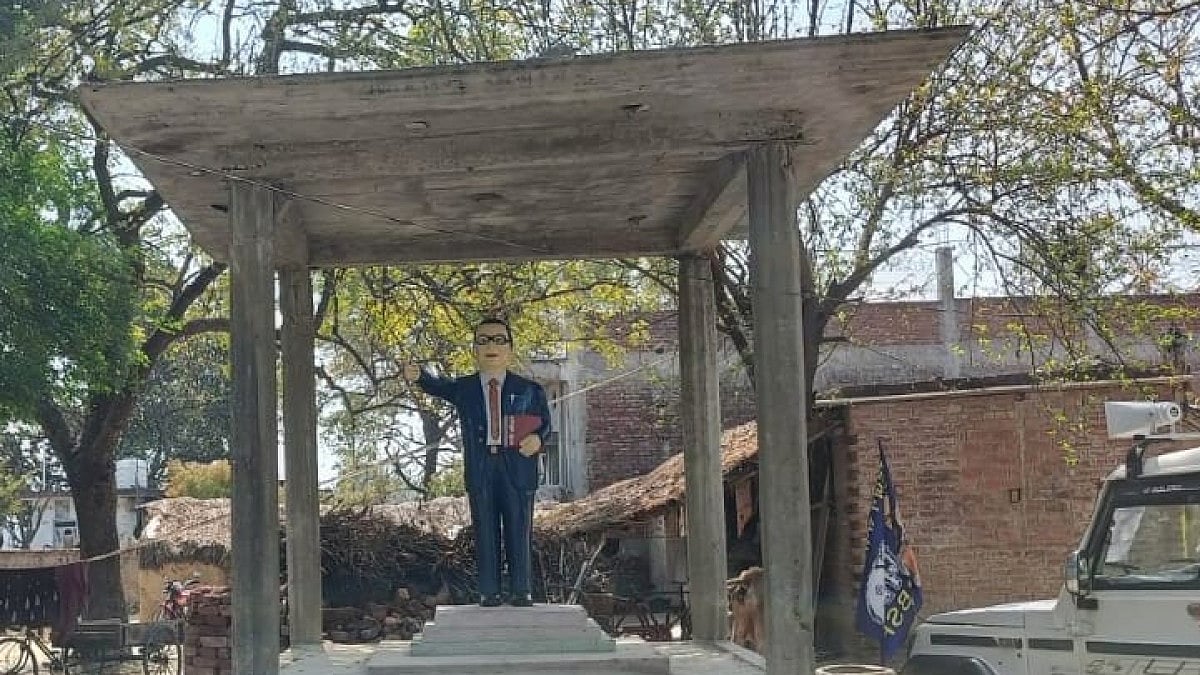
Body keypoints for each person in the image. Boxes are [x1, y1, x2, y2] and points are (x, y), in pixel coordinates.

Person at [404, 318, 551, 607]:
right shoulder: (465, 388)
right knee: (485, 530)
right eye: (483, 340)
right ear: (474, 349)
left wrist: (538, 439)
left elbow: (544, 423)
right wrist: (419, 375)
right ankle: (489, 591)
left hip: (518, 469)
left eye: (498, 339)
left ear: (510, 348)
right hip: (482, 469)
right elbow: (438, 385)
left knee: (519, 528)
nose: (491, 347)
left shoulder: (530, 390)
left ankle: (522, 590)